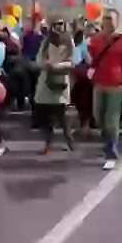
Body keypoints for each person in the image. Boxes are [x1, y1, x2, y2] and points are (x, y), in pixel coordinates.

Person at [89, 13, 122, 170]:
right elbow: (88, 58)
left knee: (112, 119)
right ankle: (109, 144)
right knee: (98, 115)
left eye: (111, 21)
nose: (108, 24)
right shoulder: (96, 40)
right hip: (99, 82)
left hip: (116, 84)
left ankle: (111, 153)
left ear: (117, 23)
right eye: (105, 21)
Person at [34, 17, 75, 155]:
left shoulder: (69, 41)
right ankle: (48, 143)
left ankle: (69, 141)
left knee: (62, 117)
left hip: (60, 82)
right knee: (43, 116)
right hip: (45, 82)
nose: (58, 27)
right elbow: (39, 58)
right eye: (56, 24)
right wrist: (44, 64)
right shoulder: (46, 41)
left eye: (61, 24)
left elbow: (72, 62)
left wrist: (58, 65)